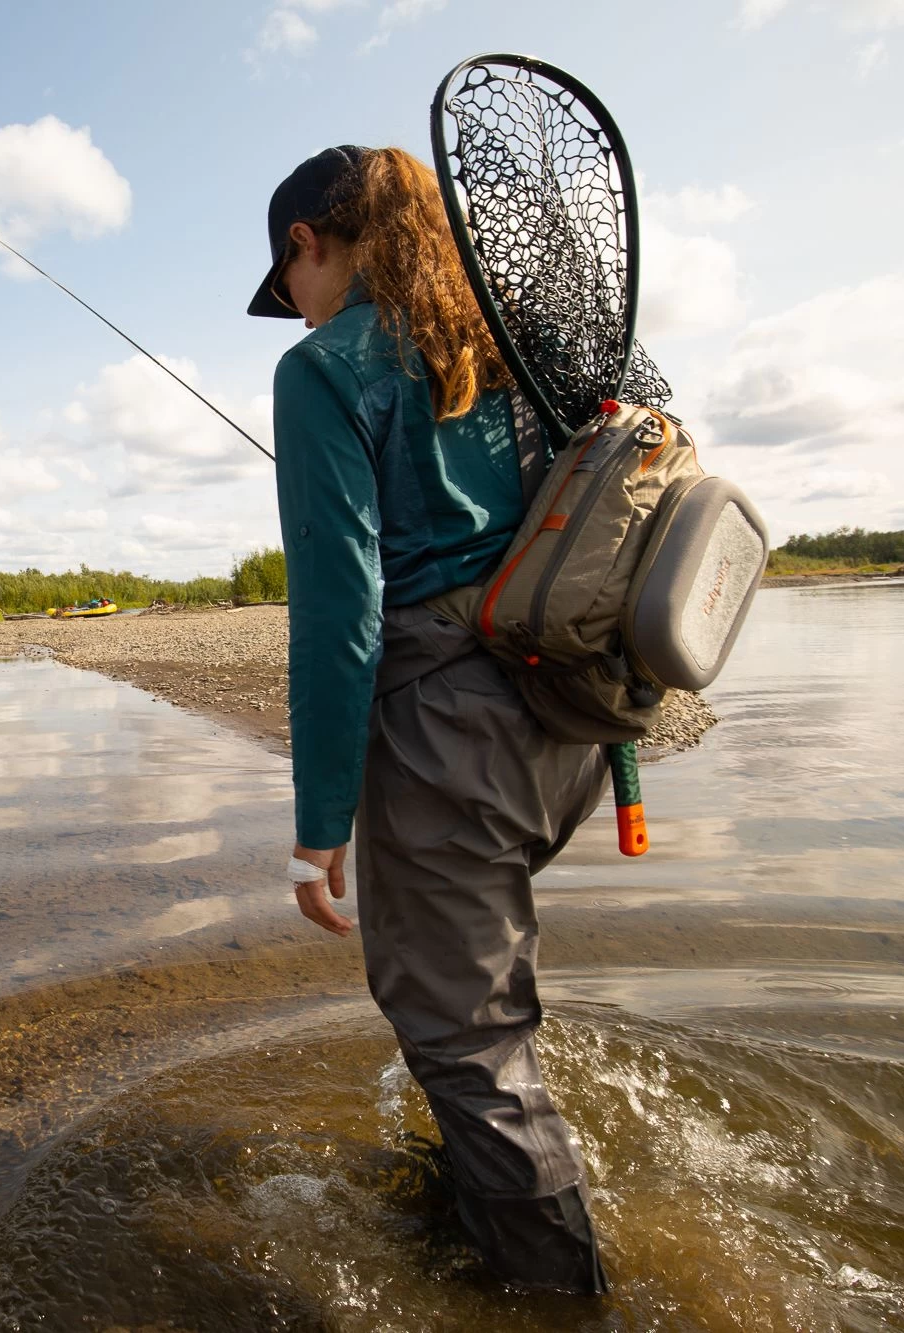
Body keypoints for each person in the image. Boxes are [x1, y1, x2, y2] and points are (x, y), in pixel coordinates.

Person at [248, 144, 610, 1293]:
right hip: (571, 721)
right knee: (475, 1009)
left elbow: (338, 614)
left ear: (307, 243)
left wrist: (320, 821)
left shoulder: (322, 370)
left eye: (285, 284)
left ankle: (557, 1298)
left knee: (463, 1035)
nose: (290, 313)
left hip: (448, 736)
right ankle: (473, 1211)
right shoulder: (513, 340)